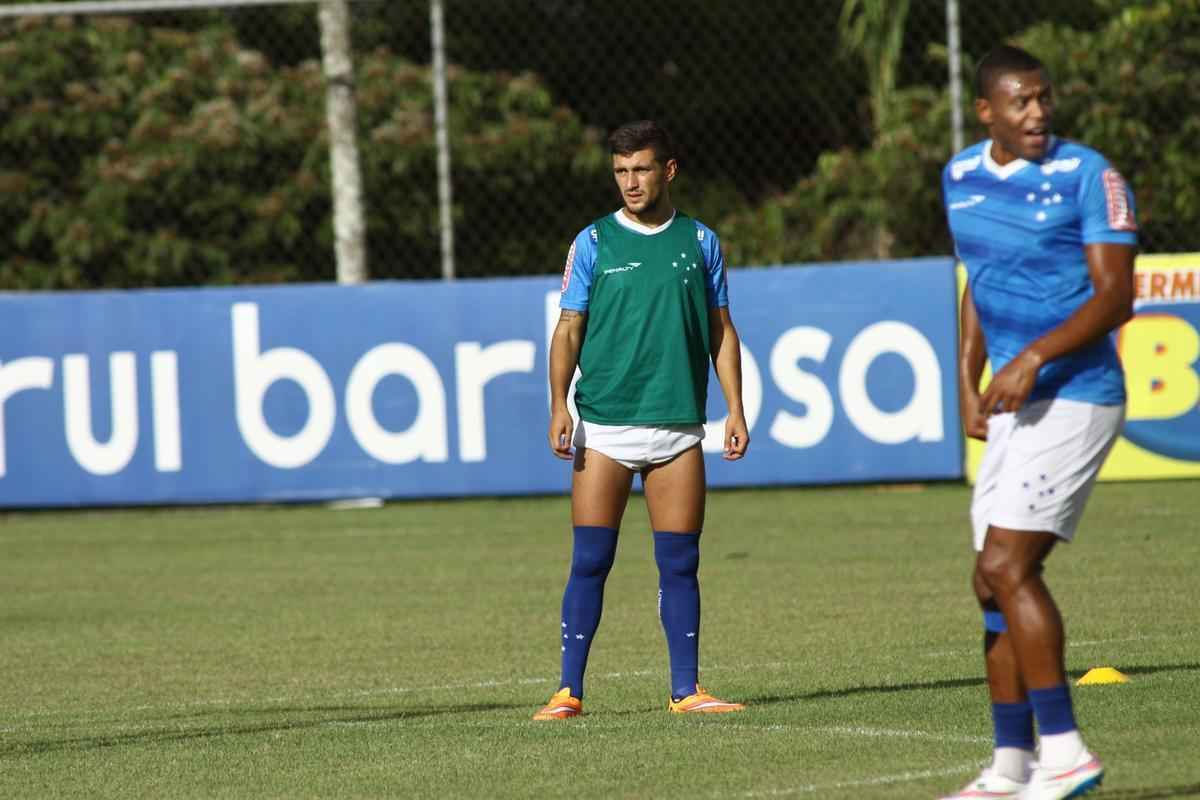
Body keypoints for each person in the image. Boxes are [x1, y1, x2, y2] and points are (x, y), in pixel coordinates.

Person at [939, 46, 1137, 800]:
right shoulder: (959, 177)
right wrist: (968, 379)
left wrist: (1032, 359)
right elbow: (977, 280)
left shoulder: (1091, 176)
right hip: (1015, 407)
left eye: (1044, 99)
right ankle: (1008, 770)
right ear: (986, 110)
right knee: (989, 587)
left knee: (1007, 568)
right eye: (1020, 102)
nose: (1037, 113)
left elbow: (1116, 296)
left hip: (1080, 393)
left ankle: (1066, 754)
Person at [532, 120, 750, 720]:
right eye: (621, 171)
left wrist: (734, 408)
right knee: (590, 560)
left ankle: (687, 691)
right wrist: (559, 405)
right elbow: (568, 328)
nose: (630, 181)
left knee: (680, 561)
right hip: (603, 428)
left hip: (679, 428)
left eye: (642, 169)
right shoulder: (594, 242)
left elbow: (721, 331)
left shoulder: (700, 242)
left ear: (669, 170)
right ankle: (568, 691)